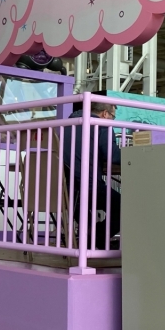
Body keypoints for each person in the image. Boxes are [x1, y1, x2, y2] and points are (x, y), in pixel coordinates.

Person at [62, 97, 122, 250]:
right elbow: (113, 156)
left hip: (63, 191)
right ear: (104, 114)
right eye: (113, 116)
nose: (112, 120)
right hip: (87, 187)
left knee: (82, 204)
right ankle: (94, 240)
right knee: (127, 207)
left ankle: (89, 238)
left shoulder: (65, 125)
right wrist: (136, 155)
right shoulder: (101, 127)